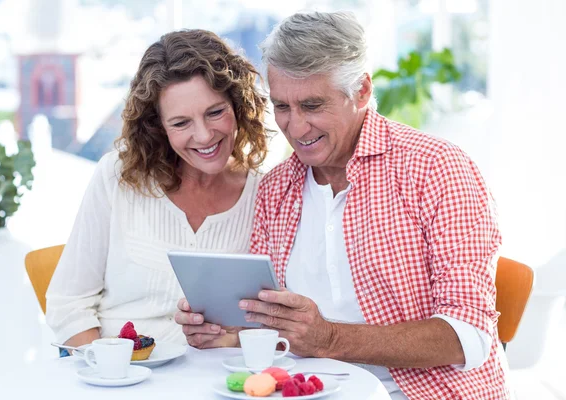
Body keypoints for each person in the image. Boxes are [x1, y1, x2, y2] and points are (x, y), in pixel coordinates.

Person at [176, 11, 510, 399]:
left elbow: (467, 336)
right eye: (282, 107)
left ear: (362, 91)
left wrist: (328, 338)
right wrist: (225, 333)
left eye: (313, 106)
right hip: (305, 391)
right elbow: (274, 325)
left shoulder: (437, 170)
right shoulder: (276, 189)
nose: (296, 128)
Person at [46, 29, 269, 351]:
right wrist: (109, 371)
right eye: (181, 123)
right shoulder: (117, 178)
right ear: (158, 128)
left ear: (237, 104)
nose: (204, 136)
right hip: (117, 379)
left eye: (215, 112)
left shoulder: (266, 194)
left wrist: (231, 340)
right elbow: (68, 304)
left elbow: (271, 328)